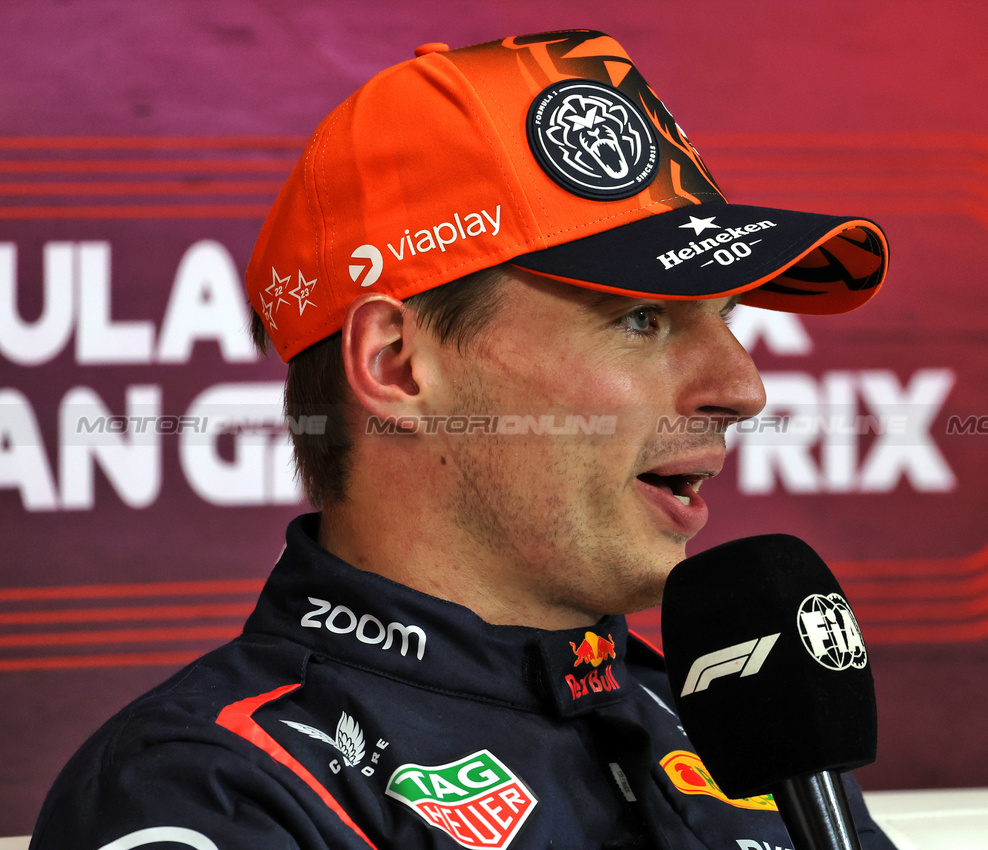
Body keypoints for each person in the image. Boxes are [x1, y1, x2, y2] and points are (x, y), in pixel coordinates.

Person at [33, 29, 893, 850]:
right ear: (398, 364)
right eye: (641, 318)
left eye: (728, 318)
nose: (743, 389)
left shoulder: (744, 725)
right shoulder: (211, 787)